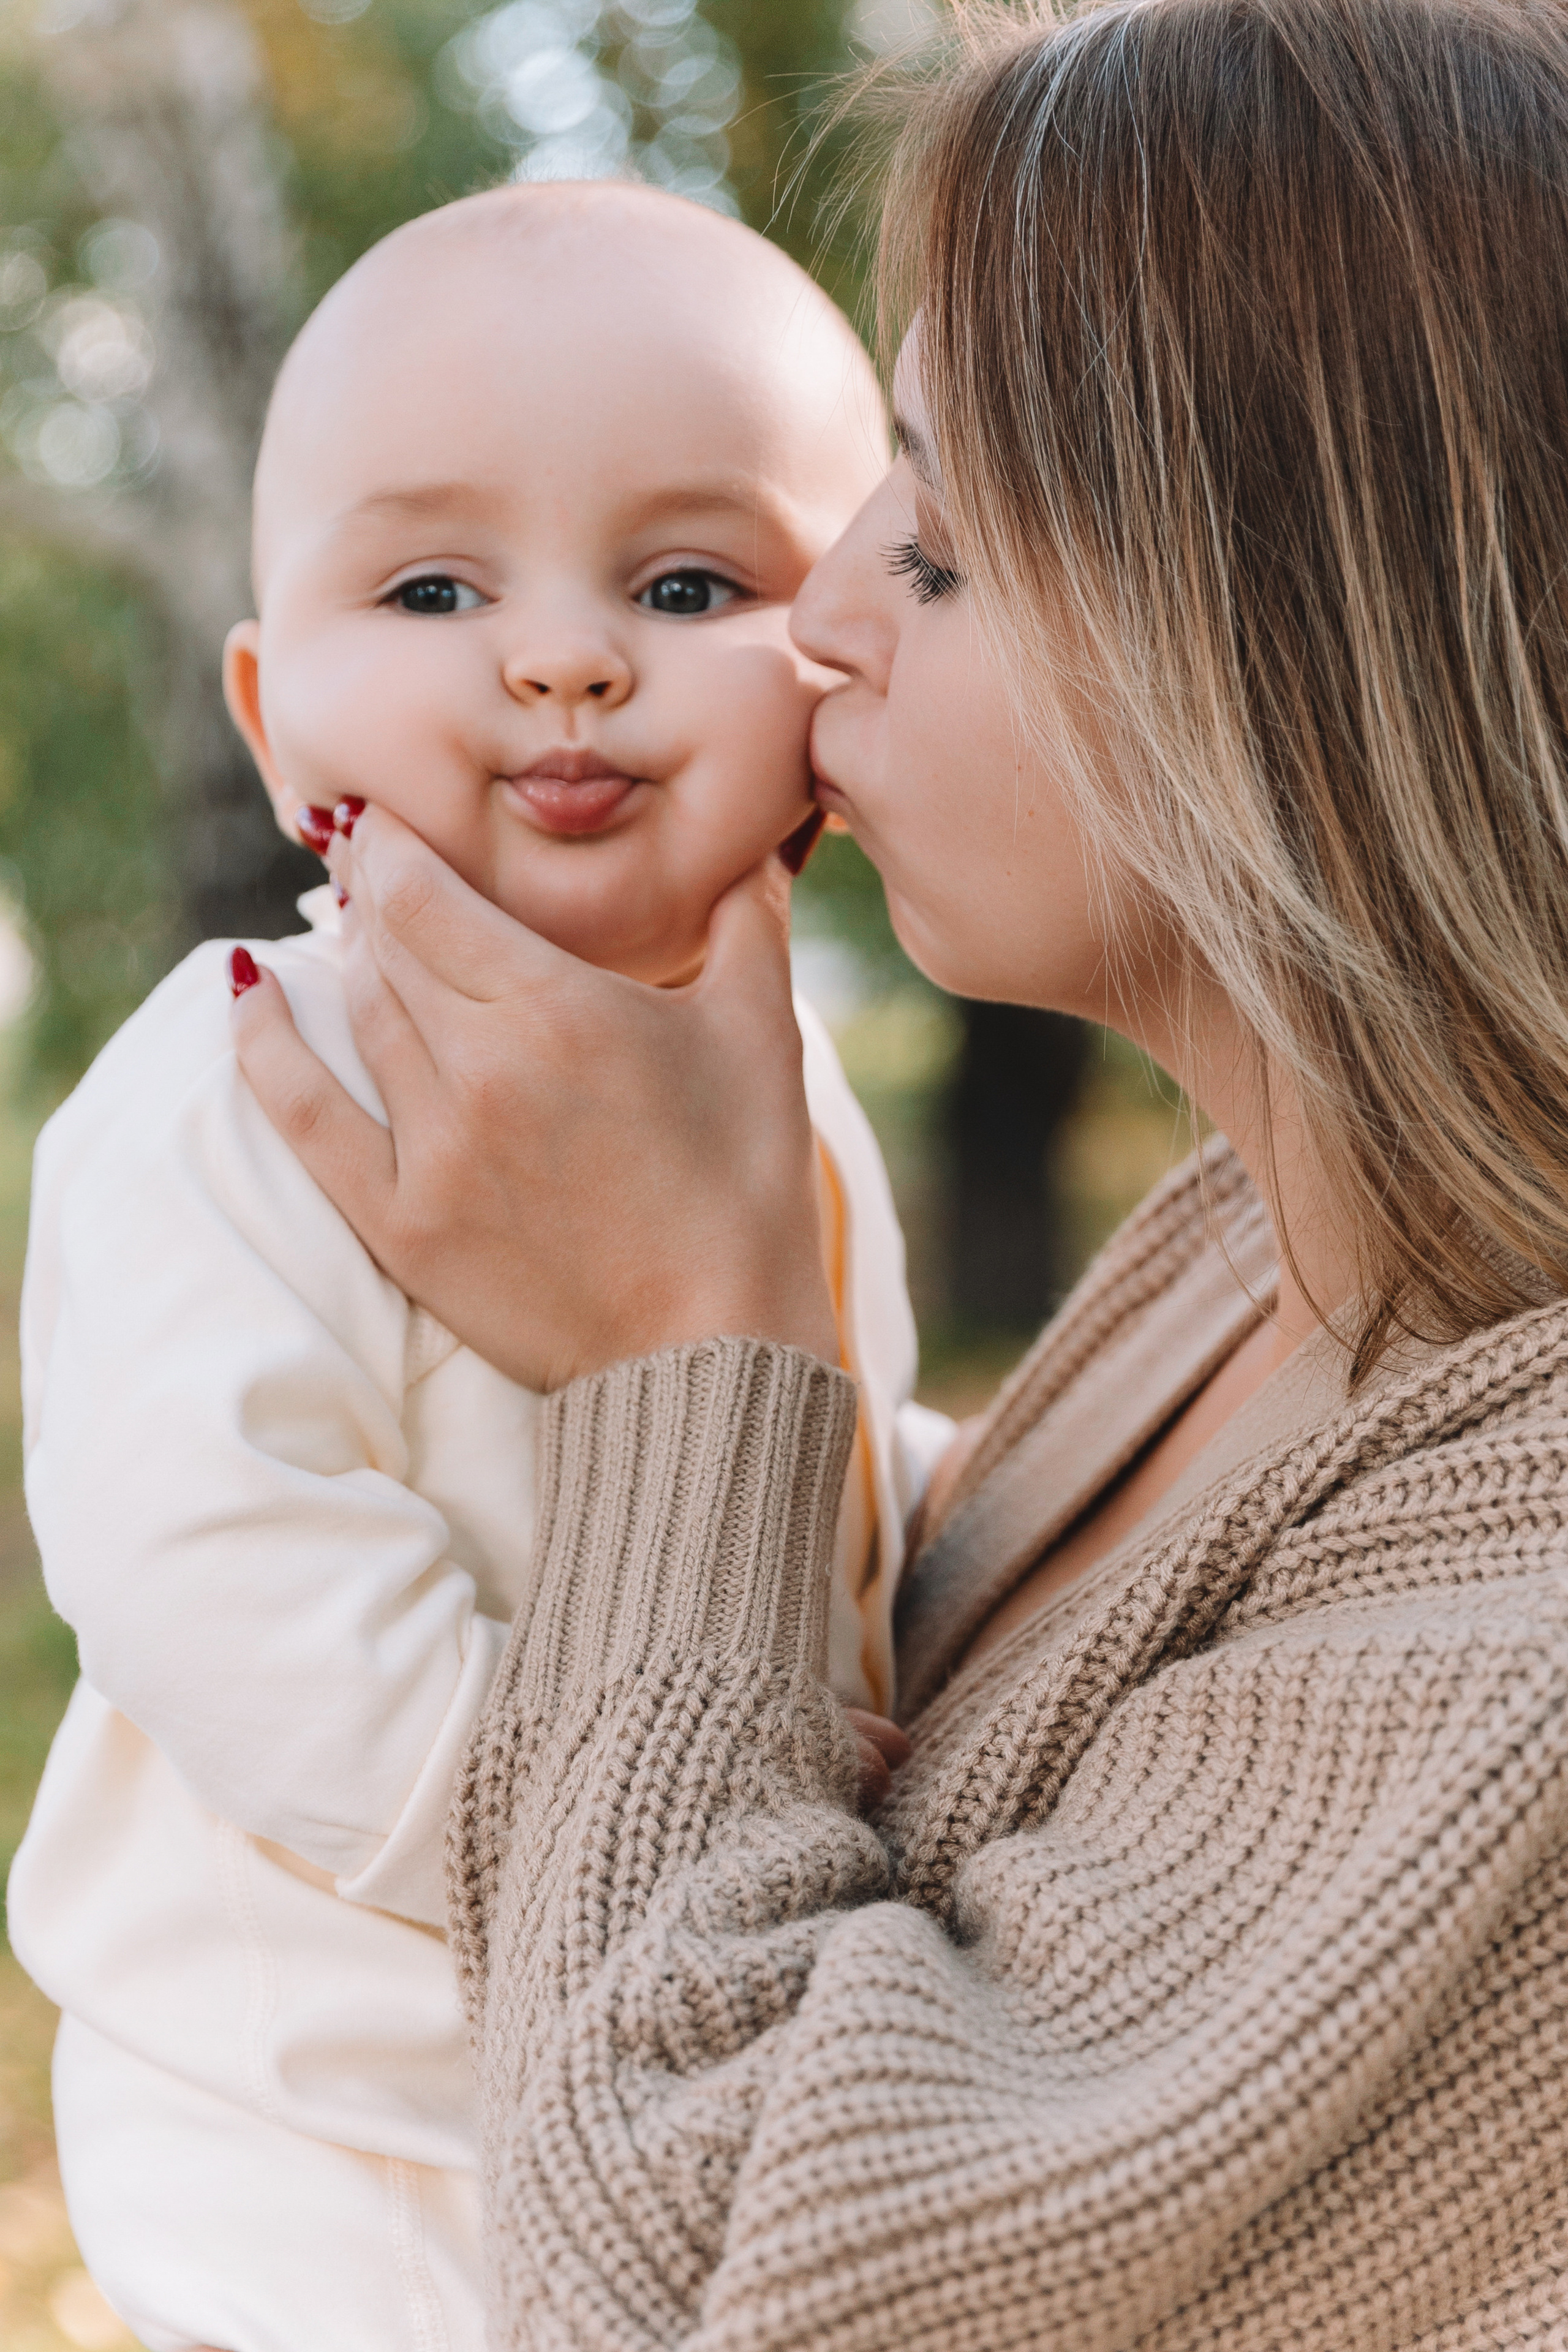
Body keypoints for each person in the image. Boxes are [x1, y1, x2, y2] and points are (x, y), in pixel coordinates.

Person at [230, 0, 1568, 2343]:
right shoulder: (1277, 1236)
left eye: (936, 546)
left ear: (1301, 651)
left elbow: (725, 2300)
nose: (814, 624)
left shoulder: (1521, 1648)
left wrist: (693, 1358)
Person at [6, 184, 949, 2352]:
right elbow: (208, 1562)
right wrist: (584, 1821)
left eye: (688, 582)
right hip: (329, 2139)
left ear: (841, 668)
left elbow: (818, 1433)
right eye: (435, 585)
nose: (562, 658)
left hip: (690, 2049)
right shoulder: (245, 1081)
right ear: (271, 711)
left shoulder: (769, 1083)